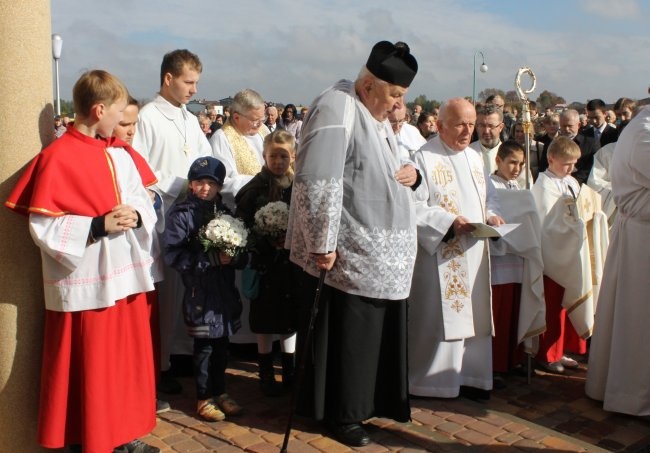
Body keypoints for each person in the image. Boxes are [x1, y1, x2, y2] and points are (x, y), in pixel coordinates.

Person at [5, 70, 159, 453]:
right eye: (119, 115)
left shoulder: (119, 154)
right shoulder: (57, 157)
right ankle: (91, 440)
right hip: (88, 283)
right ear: (99, 109)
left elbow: (142, 197)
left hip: (125, 279)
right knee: (92, 369)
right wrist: (96, 225)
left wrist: (136, 215)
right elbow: (43, 226)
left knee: (123, 367)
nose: (123, 125)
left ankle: (123, 436)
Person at [286, 40, 419, 447]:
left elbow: (387, 167)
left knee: (372, 334)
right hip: (348, 251)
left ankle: (365, 404)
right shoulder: (337, 106)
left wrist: (413, 174)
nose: (397, 105)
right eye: (394, 94)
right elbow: (318, 180)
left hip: (379, 252)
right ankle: (342, 414)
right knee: (349, 335)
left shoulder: (373, 112)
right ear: (368, 85)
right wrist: (321, 241)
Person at [408, 97, 505, 400]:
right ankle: (432, 382)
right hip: (442, 253)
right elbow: (413, 207)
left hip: (475, 252)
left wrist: (491, 215)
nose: (468, 131)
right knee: (442, 318)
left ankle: (472, 377)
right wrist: (450, 221)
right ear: (439, 126)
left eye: (472, 124)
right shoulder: (422, 158)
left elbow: (490, 196)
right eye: (460, 124)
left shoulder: (476, 157)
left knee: (474, 315)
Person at [133, 49, 213, 396]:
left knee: (186, 292)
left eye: (196, 82)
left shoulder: (188, 117)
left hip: (189, 216)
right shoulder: (148, 117)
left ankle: (177, 355)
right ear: (168, 78)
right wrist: (182, 185)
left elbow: (201, 159)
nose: (194, 90)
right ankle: (157, 364)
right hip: (162, 219)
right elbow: (139, 171)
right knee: (163, 296)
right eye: (189, 82)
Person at [164, 156, 244, 422]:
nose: (205, 188)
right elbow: (173, 254)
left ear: (220, 186)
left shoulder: (226, 214)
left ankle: (220, 391)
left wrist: (236, 256)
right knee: (205, 348)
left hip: (224, 291)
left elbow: (242, 249)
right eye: (200, 182)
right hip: (200, 292)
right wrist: (208, 260)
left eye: (212, 183)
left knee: (222, 346)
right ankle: (203, 397)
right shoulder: (182, 214)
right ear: (191, 184)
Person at [585, 104, 650, 416]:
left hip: (641, 235)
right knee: (638, 318)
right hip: (642, 238)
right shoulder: (644, 133)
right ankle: (632, 394)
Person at [531, 137, 607, 374]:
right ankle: (547, 354)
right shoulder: (544, 186)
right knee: (552, 308)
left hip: (572, 252)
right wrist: (575, 225)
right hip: (553, 257)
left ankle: (562, 349)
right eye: (566, 164)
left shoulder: (572, 182)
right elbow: (547, 224)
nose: (571, 169)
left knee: (567, 305)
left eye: (574, 163)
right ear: (551, 159)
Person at [235, 129, 299, 397]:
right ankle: (264, 372)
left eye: (284, 156)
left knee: (289, 319)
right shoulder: (253, 189)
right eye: (273, 156)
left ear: (293, 157)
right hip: (264, 264)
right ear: (264, 156)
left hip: (289, 263)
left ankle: (290, 370)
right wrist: (265, 239)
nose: (278, 162)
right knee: (264, 320)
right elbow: (243, 224)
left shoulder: (297, 187)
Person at [488, 141, 546, 387]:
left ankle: (514, 359)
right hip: (498, 260)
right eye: (512, 162)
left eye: (521, 164)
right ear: (498, 161)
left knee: (516, 311)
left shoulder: (522, 185)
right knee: (498, 315)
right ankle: (495, 365)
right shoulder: (488, 186)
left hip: (519, 259)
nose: (517, 168)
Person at [209, 88, 269, 209]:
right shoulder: (221, 138)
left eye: (262, 119)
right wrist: (263, 183)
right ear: (236, 117)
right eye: (254, 120)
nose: (260, 124)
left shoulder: (263, 131)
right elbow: (224, 182)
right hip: (242, 207)